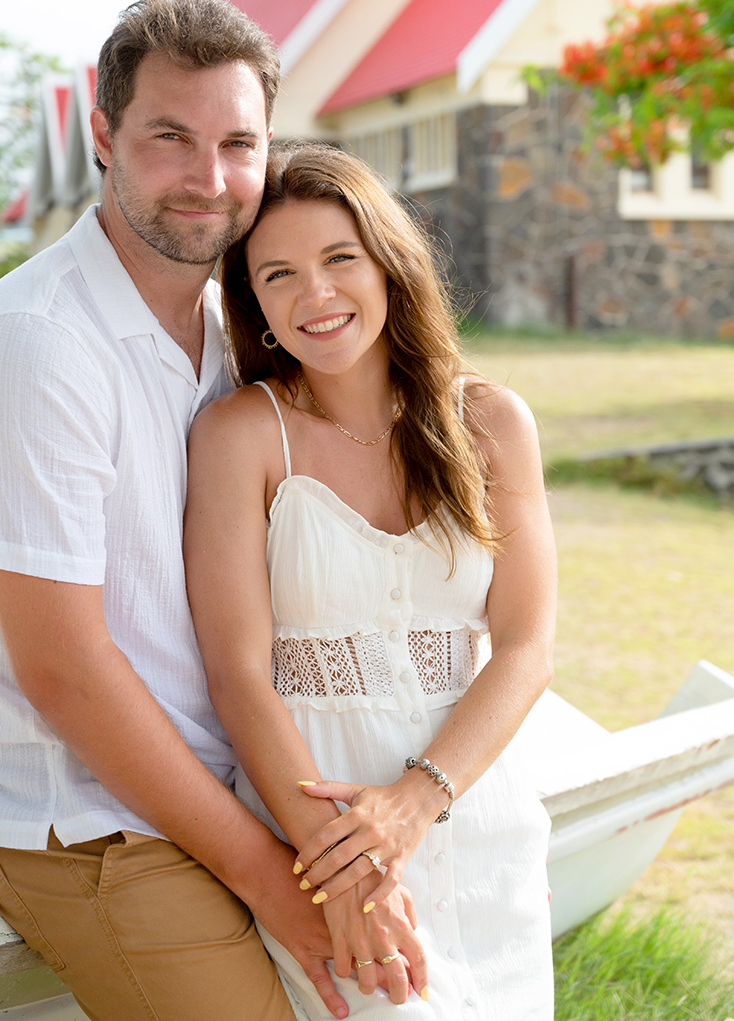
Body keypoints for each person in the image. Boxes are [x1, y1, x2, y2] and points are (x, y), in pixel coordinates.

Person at [0, 0, 385, 1021]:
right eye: (171, 137)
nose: (212, 180)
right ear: (105, 136)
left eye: (239, 143)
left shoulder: (232, 340)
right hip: (89, 825)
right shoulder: (38, 347)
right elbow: (64, 672)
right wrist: (284, 881)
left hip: (228, 793)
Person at [184, 142, 557, 1019]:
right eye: (279, 275)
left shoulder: (492, 421)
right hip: (318, 826)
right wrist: (343, 865)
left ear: (389, 264)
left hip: (475, 815)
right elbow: (238, 672)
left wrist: (417, 804)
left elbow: (528, 647)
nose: (315, 295)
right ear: (258, 308)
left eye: (339, 258)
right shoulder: (241, 436)